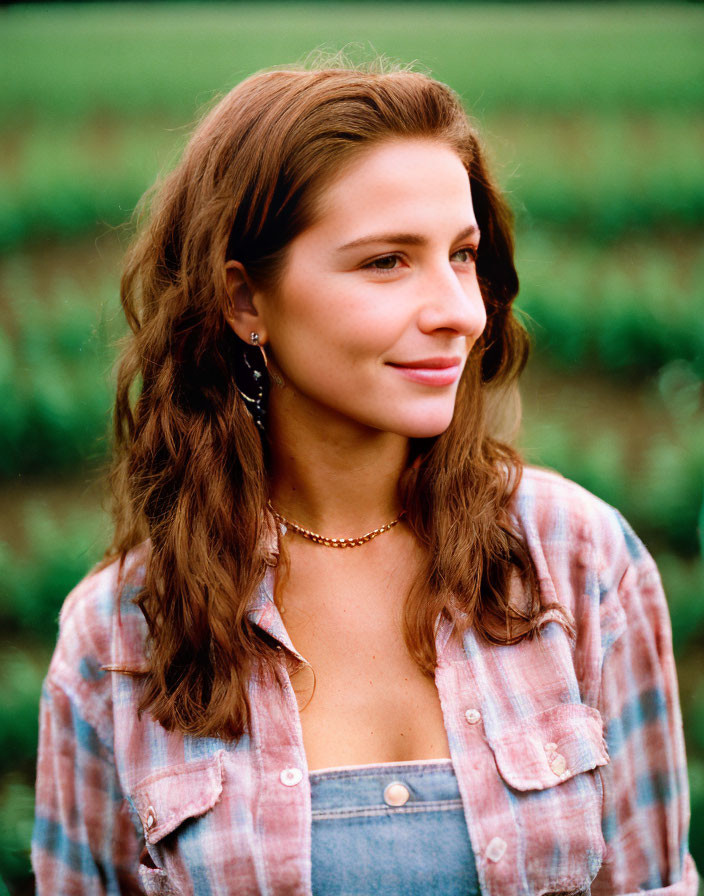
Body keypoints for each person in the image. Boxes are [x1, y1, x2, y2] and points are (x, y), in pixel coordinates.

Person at [32, 61, 698, 895]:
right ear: (246, 303)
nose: (458, 308)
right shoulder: (119, 636)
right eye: (387, 262)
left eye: (463, 255)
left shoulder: (579, 560)